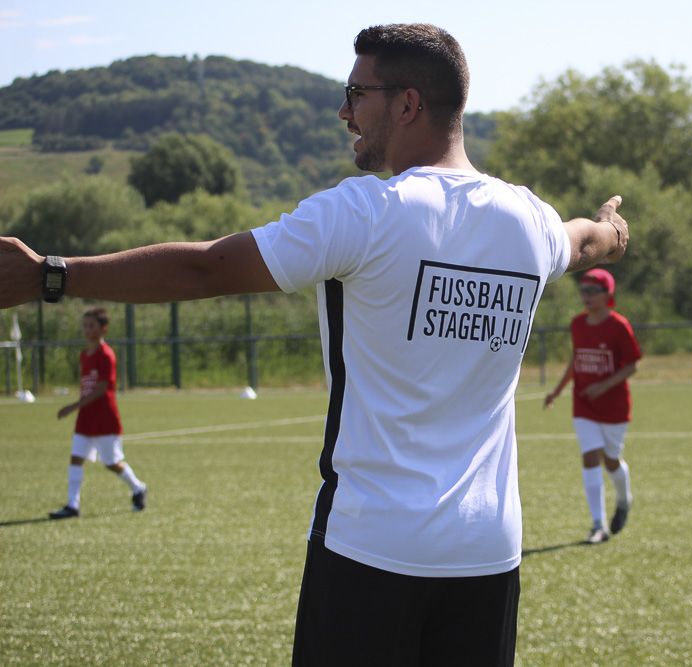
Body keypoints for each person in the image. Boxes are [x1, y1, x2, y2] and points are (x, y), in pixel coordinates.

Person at [0, 24, 630, 665]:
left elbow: (206, 269)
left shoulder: (365, 211)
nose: (343, 111)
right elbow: (584, 241)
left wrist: (51, 275)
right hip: (487, 553)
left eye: (357, 93)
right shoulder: (528, 219)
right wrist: (611, 228)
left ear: (407, 104)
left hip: (370, 547)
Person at [544, 268, 640, 544]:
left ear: (607, 294)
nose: (586, 296)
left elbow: (631, 365)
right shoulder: (577, 324)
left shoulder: (619, 325)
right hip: (583, 403)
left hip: (613, 407)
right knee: (589, 456)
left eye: (592, 291)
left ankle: (624, 499)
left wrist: (603, 386)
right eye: (583, 290)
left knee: (611, 461)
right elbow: (576, 361)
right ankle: (598, 525)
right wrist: (557, 391)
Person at [48, 307, 147, 519]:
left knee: (111, 463)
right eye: (85, 325)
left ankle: (138, 487)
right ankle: (72, 505)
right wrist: (79, 407)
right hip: (86, 417)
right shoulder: (84, 355)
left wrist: (73, 406)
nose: (87, 330)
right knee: (76, 458)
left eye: (91, 326)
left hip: (104, 417)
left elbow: (102, 388)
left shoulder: (106, 355)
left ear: (103, 328)